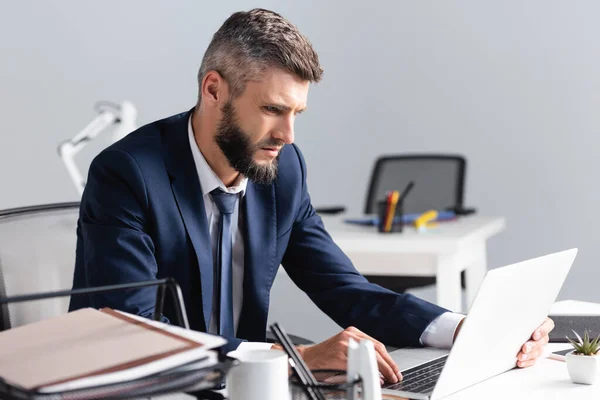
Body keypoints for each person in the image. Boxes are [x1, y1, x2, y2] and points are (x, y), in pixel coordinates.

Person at [69, 8, 553, 384]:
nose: (288, 135)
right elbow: (133, 335)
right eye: (273, 109)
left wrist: (463, 330)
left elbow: (344, 288)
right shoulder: (126, 174)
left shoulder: (282, 172)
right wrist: (293, 357)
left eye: (297, 112)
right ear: (213, 89)